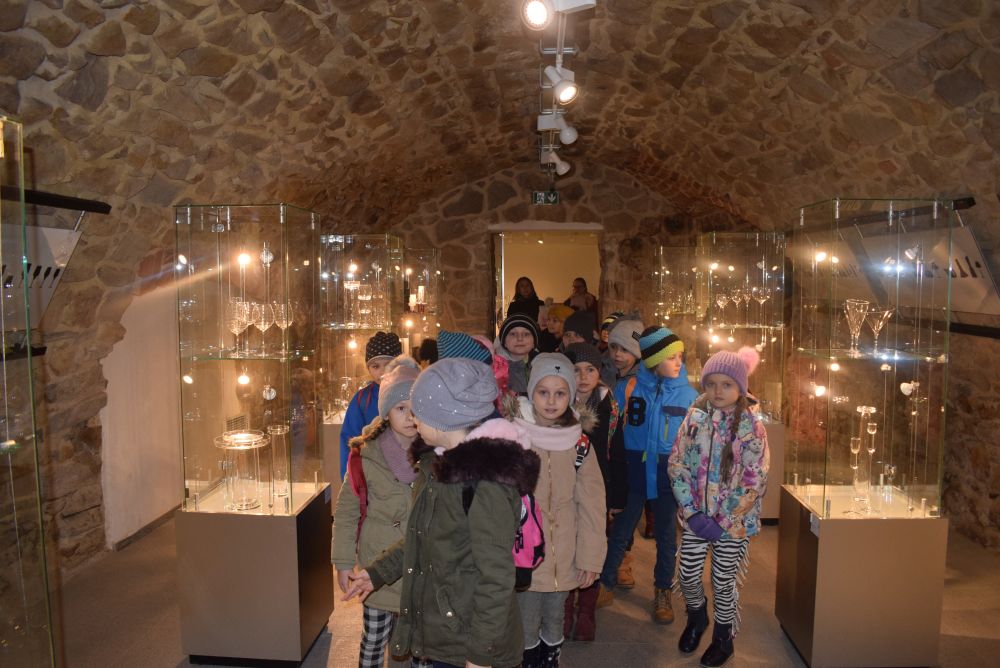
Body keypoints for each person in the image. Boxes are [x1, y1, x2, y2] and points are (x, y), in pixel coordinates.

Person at [343, 358, 541, 668]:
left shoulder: (487, 482)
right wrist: (376, 573)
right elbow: (421, 536)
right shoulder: (435, 465)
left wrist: (480, 655)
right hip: (446, 633)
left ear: (444, 417)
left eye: (418, 412)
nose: (413, 420)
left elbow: (496, 579)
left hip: (472, 643)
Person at [502, 353, 606, 667]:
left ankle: (550, 660)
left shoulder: (579, 444)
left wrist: (590, 558)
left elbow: (592, 505)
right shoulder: (514, 439)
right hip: (525, 555)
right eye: (543, 392)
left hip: (565, 551)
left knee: (555, 616)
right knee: (525, 618)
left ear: (570, 396)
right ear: (531, 392)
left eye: (560, 393)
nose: (551, 401)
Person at [668, 347, 769, 668]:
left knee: (723, 582)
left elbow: (754, 479)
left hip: (733, 523)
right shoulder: (694, 418)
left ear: (741, 387)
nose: (717, 391)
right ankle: (697, 618)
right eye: (711, 384)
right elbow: (677, 464)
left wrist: (723, 519)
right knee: (687, 574)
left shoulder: (751, 427)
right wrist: (692, 511)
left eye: (726, 384)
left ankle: (724, 638)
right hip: (696, 517)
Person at [332, 357, 429, 668]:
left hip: (420, 567)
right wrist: (343, 562)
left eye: (416, 408)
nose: (410, 417)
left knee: (422, 642)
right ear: (386, 411)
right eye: (401, 408)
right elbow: (347, 513)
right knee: (375, 638)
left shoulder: (436, 452)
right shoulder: (365, 455)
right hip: (375, 568)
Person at [598, 326, 698, 626]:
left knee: (666, 535)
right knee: (622, 528)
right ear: (653, 360)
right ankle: (605, 581)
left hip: (668, 471)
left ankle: (663, 590)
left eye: (680, 356)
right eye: (671, 357)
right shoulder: (628, 388)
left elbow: (695, 441)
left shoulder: (689, 396)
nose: (678, 362)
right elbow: (613, 428)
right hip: (634, 466)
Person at [562, 343, 620, 642]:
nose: (583, 377)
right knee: (566, 547)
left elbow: (617, 452)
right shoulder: (557, 402)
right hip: (565, 488)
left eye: (590, 370)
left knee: (593, 545)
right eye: (576, 370)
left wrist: (617, 497)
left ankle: (586, 611)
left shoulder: (609, 405)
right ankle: (564, 610)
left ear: (600, 373)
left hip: (599, 489)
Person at [340, 331, 403, 480]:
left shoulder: (409, 393)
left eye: (388, 365)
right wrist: (350, 480)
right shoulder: (361, 400)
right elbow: (348, 440)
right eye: (375, 366)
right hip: (372, 476)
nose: (382, 372)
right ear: (368, 369)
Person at [495, 313, 539, 395]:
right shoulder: (495, 367)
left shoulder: (542, 365)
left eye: (526, 334)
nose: (519, 338)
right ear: (504, 342)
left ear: (534, 342)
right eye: (513, 334)